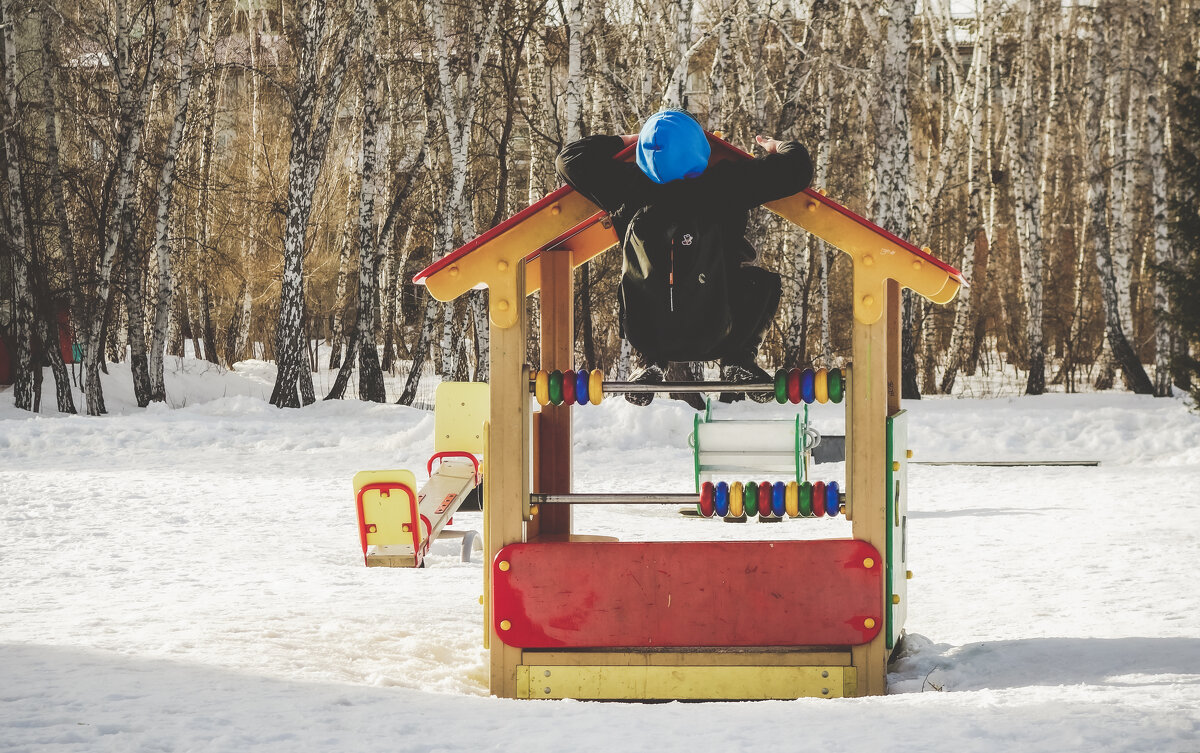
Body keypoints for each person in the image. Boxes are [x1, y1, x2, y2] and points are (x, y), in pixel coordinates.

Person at [555, 109, 813, 407]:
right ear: (698, 149)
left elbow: (569, 159)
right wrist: (777, 146)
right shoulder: (725, 186)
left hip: (648, 332)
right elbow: (798, 169)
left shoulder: (626, 188)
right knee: (762, 283)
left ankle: (649, 362)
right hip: (719, 328)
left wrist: (628, 140)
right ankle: (737, 360)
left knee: (636, 280)